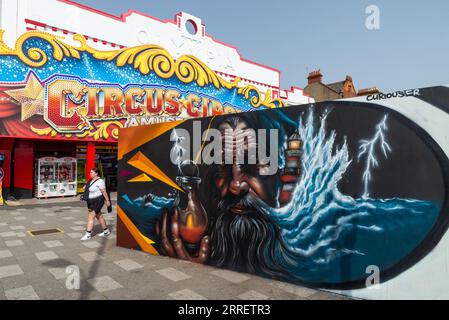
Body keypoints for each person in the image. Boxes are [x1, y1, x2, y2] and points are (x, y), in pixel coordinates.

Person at [81, 168, 111, 241]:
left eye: (91, 172)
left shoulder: (100, 181)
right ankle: (106, 231)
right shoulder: (91, 181)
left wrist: (107, 201)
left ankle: (88, 234)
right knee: (99, 216)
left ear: (96, 173)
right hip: (90, 201)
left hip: (98, 201)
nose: (90, 173)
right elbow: (86, 188)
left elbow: (104, 192)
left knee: (91, 217)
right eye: (90, 172)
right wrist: (85, 187)